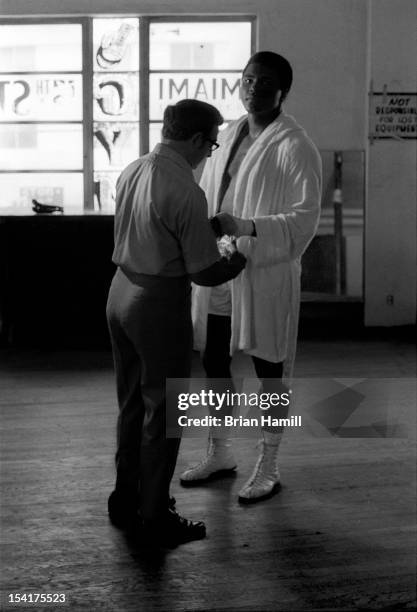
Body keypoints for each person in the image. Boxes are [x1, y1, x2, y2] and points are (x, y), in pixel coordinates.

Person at [180, 52, 322, 502]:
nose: (253, 90)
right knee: (214, 361)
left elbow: (304, 219)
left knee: (269, 367)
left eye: (265, 84)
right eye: (247, 80)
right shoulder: (230, 134)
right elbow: (208, 191)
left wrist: (247, 228)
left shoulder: (295, 145)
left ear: (284, 92)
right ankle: (220, 450)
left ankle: (270, 461)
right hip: (219, 266)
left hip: (264, 269)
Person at [106, 99, 246, 546]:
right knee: (164, 413)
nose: (210, 152)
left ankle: (125, 497)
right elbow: (203, 271)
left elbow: (151, 227)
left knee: (131, 402)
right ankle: (155, 516)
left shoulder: (134, 168)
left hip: (120, 292)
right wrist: (236, 260)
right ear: (194, 139)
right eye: (211, 144)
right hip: (157, 304)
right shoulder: (187, 190)